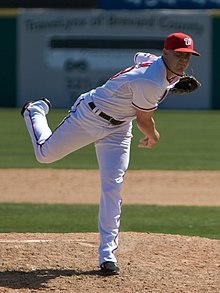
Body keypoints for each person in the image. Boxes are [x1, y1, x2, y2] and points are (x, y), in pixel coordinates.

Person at [21, 32, 200, 275]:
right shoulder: (152, 81)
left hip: (118, 129)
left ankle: (107, 255)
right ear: (166, 52)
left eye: (187, 56)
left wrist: (173, 81)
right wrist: (154, 136)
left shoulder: (155, 64)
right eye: (179, 54)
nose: (183, 61)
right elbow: (144, 120)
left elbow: (139, 56)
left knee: (112, 186)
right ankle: (35, 111)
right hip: (89, 117)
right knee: (44, 154)